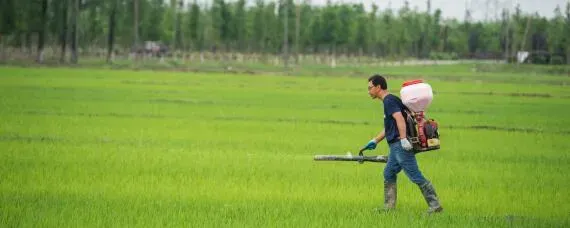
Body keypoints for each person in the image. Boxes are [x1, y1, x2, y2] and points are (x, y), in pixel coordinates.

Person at [362, 74, 443, 214]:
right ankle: (389, 207)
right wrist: (375, 140)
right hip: (395, 145)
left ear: (378, 87)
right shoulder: (391, 99)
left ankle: (435, 205)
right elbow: (390, 127)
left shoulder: (389, 101)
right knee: (389, 172)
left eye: (370, 88)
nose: (368, 91)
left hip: (400, 145)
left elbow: (399, 119)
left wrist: (403, 139)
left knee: (414, 174)